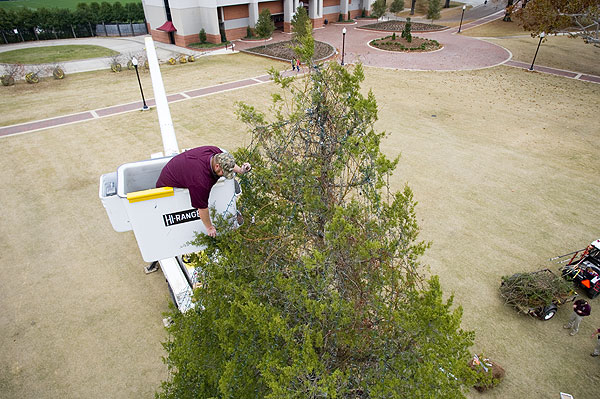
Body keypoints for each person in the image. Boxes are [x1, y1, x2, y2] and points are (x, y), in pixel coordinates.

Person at [155, 146, 251, 238]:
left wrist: (240, 170)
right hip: (167, 188)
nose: (224, 175)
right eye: (224, 172)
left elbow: (229, 164)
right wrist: (209, 227)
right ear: (217, 166)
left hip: (179, 168)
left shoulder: (215, 152)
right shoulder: (200, 182)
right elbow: (202, 208)